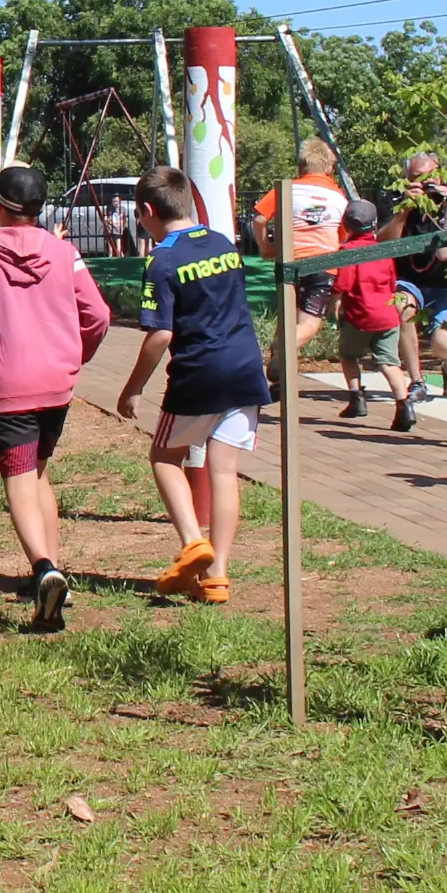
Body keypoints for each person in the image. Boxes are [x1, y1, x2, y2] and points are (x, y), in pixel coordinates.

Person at [0, 165, 112, 629]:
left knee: (19, 479)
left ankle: (43, 567)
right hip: (57, 383)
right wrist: (75, 355)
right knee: (39, 472)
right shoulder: (66, 253)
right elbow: (98, 314)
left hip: (9, 383)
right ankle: (52, 569)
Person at [113, 165, 270, 605]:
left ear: (148, 210)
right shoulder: (222, 242)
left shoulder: (162, 259)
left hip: (199, 374)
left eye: (140, 216)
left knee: (164, 457)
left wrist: (132, 387)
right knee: (223, 471)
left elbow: (160, 334)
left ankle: (191, 542)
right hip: (245, 369)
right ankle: (217, 575)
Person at [247, 139, 351, 365]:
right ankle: (281, 348)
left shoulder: (288, 189)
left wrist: (266, 247)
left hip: (289, 260)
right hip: (324, 263)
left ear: (301, 166)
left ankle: (278, 370)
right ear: (329, 168)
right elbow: (343, 235)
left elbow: (259, 219)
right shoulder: (339, 197)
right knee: (310, 321)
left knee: (288, 315)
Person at [385, 151, 447, 403]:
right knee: (401, 306)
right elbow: (383, 242)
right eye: (417, 178)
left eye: (430, 178)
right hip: (410, 280)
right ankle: (417, 380)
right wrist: (404, 211)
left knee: (444, 343)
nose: (425, 184)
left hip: (445, 284)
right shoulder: (397, 199)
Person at [325, 198, 410, 429]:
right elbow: (392, 281)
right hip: (387, 315)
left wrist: (335, 302)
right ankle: (404, 404)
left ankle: (357, 398)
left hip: (360, 316)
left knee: (348, 355)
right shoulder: (382, 250)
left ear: (346, 225)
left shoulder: (348, 251)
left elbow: (344, 282)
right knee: (389, 362)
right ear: (374, 225)